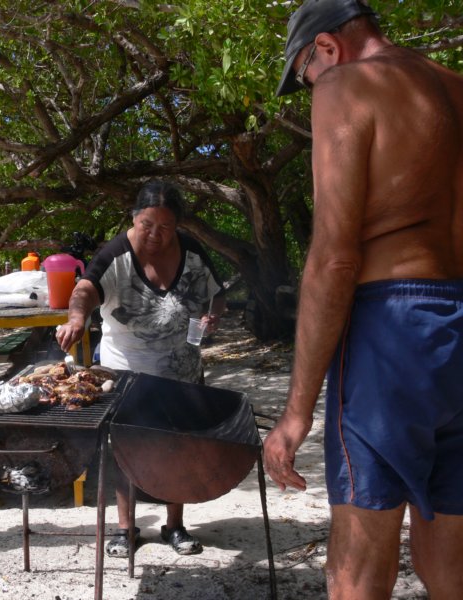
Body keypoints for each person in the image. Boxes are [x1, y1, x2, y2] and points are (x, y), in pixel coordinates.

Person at [263, 1, 463, 597]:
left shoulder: (348, 84)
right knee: (451, 564)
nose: (312, 94)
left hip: (394, 328)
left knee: (359, 562)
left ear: (326, 48)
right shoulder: (455, 86)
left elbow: (334, 256)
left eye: (305, 79)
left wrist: (298, 411)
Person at [56, 180, 226, 557]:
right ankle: (125, 529)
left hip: (181, 372)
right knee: (125, 451)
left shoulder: (192, 252)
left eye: (165, 227)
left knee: (179, 448)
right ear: (134, 217)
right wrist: (76, 318)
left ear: (178, 226)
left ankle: (175, 526)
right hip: (126, 373)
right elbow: (85, 288)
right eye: (147, 224)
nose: (155, 234)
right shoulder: (117, 253)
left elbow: (217, 295)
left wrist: (212, 315)